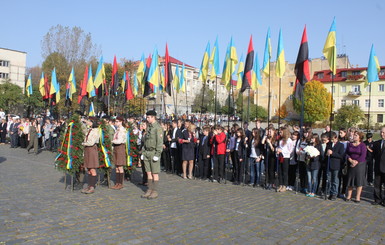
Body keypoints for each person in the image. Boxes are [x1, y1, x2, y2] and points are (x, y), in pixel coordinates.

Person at [140, 110, 163, 199]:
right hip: (147, 152)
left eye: (149, 117)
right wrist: (143, 151)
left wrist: (157, 154)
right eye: (147, 117)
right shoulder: (149, 127)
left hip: (153, 152)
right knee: (148, 172)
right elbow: (145, 141)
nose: (147, 118)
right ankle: (149, 189)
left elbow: (159, 142)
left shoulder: (157, 128)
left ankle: (155, 191)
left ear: (153, 117)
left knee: (154, 173)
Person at [345, 131, 367, 203]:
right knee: (350, 179)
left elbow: (363, 155)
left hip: (360, 165)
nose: (354, 136)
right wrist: (350, 160)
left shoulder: (362, 145)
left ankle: (357, 196)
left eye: (356, 135)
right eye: (354, 135)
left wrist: (356, 162)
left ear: (360, 137)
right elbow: (347, 153)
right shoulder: (350, 144)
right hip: (351, 163)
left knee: (359, 180)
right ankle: (349, 195)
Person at [81, 117, 100, 194]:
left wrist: (83, 143)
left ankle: (92, 186)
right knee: (88, 169)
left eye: (89, 121)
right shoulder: (90, 130)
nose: (87, 122)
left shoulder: (95, 131)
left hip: (91, 149)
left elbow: (91, 142)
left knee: (92, 169)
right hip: (87, 150)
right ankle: (89, 185)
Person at [325, 132, 345, 201]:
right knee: (329, 179)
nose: (332, 141)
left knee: (335, 180)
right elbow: (326, 153)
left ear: (336, 138)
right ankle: (328, 192)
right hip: (329, 164)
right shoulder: (329, 144)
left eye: (333, 139)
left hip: (336, 165)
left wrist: (332, 153)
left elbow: (341, 156)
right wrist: (327, 153)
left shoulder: (341, 145)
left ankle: (334, 193)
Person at [111, 117, 127, 190]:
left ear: (121, 122)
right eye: (115, 121)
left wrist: (112, 141)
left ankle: (120, 183)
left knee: (120, 166)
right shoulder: (117, 130)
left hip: (120, 147)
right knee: (117, 166)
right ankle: (117, 183)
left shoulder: (123, 130)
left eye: (117, 121)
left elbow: (119, 140)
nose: (116, 123)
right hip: (116, 148)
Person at [276, 127, 294, 192]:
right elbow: (278, 147)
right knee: (280, 172)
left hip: (285, 157)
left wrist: (282, 151)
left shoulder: (289, 140)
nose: (280, 133)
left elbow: (290, 150)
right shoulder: (280, 139)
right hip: (280, 157)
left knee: (285, 172)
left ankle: (285, 185)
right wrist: (277, 150)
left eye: (281, 132)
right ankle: (280, 184)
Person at [372, 127, 385, 206]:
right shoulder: (376, 143)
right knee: (377, 184)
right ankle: (377, 199)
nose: (382, 134)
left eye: (383, 132)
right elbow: (374, 155)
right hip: (377, 167)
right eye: (381, 132)